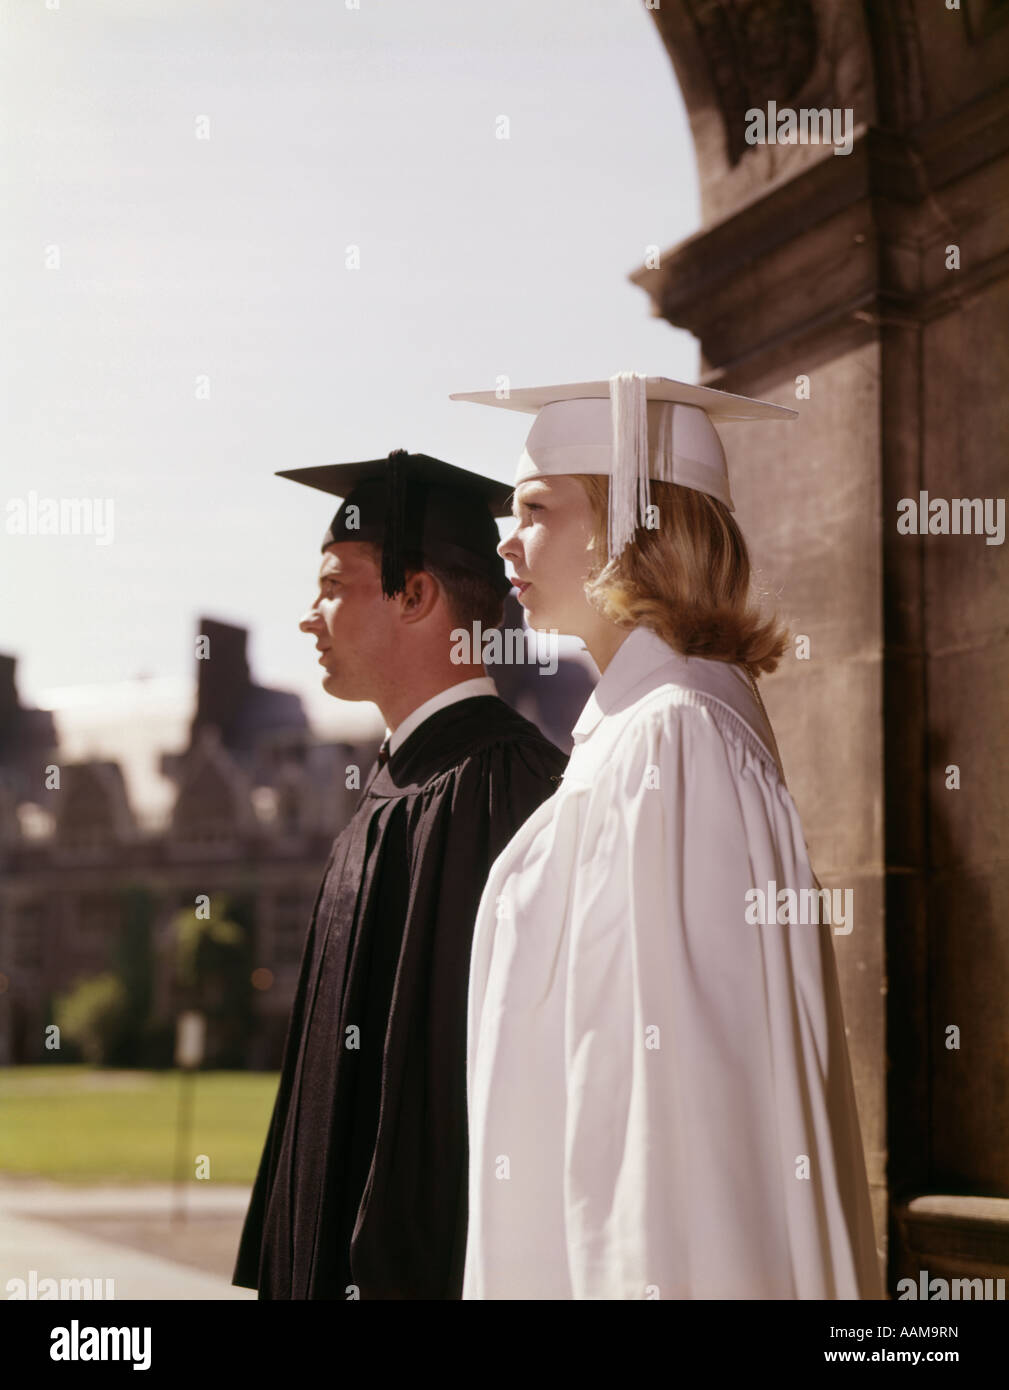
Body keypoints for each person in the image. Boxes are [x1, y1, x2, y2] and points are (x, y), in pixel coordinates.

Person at [450, 373, 882, 1300]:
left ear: (627, 524)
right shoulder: (649, 731)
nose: (504, 537)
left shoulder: (672, 741)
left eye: (533, 507)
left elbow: (677, 1121)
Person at [232, 449, 566, 1299]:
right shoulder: (390, 790)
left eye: (334, 586)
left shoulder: (507, 789)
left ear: (415, 596)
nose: (310, 618)